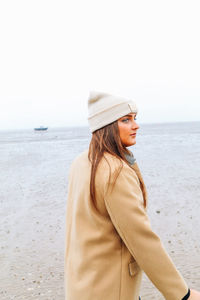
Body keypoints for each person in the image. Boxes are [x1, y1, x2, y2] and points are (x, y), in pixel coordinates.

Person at [65, 91, 200, 300]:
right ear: (106, 126)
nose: (136, 125)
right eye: (126, 120)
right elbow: (142, 238)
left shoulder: (82, 162)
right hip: (111, 291)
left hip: (82, 286)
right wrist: (182, 294)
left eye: (135, 119)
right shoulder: (115, 171)